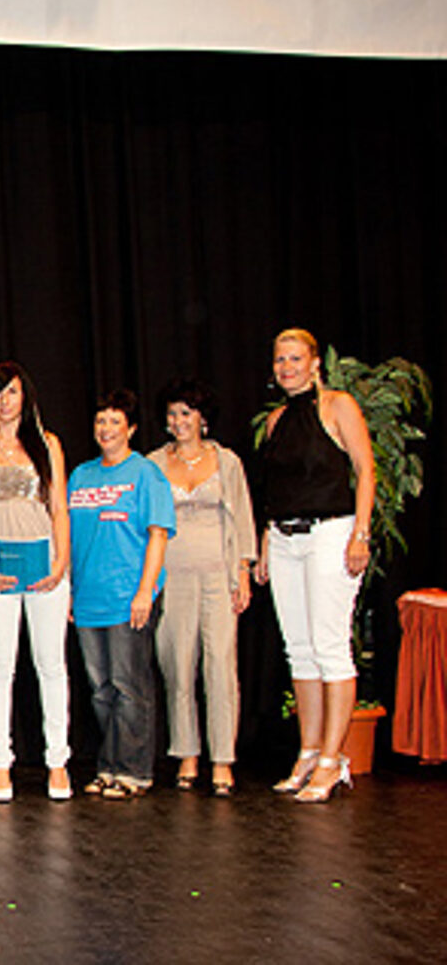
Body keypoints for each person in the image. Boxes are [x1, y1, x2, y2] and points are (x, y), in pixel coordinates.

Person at [254, 329, 375, 803]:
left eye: (295, 358)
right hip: (284, 540)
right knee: (299, 651)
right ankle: (307, 753)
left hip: (331, 533)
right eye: (280, 359)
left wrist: (360, 533)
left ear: (314, 362)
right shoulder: (275, 421)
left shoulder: (337, 406)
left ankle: (332, 759)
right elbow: (272, 492)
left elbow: (365, 469)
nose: (286, 367)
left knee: (330, 647)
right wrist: (266, 542)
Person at [0, 361, 73, 802]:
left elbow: (59, 507)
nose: (4, 401)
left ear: (26, 396)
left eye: (12, 392)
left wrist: (61, 561)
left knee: (51, 666)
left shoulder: (48, 445)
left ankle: (58, 761)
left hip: (45, 567)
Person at [147, 378, 256, 797]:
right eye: (173, 414)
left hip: (217, 573)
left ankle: (222, 760)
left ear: (202, 418)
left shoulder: (226, 461)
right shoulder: (153, 464)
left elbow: (243, 517)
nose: (179, 422)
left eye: (186, 414)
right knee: (178, 665)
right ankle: (187, 754)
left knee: (221, 666)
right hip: (172, 576)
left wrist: (242, 570)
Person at [67, 389, 176, 800]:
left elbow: (158, 534)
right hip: (88, 599)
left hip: (128, 596)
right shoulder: (81, 475)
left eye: (115, 421)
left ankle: (134, 771)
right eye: (100, 421)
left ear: (130, 428)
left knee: (130, 687)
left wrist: (145, 591)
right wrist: (71, 594)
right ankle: (109, 766)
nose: (106, 429)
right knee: (101, 691)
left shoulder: (145, 473)